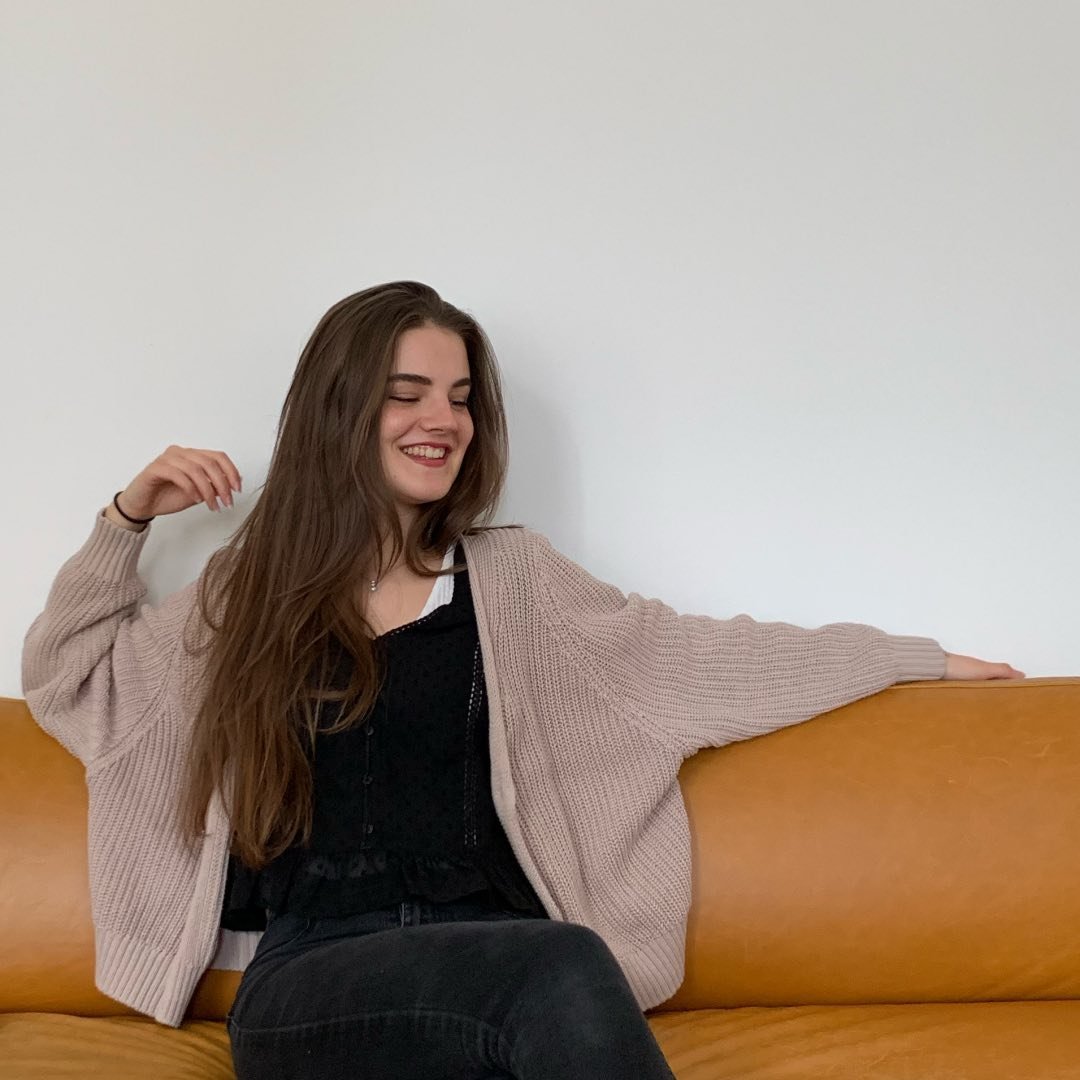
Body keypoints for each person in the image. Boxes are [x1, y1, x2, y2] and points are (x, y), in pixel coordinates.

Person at [21, 281, 1024, 1080]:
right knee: (562, 963)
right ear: (339, 409)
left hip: (502, 967)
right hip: (317, 985)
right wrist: (127, 518)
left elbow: (703, 658)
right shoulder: (247, 596)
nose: (443, 420)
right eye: (408, 393)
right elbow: (70, 679)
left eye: (460, 397)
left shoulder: (518, 586)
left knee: (546, 976)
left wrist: (916, 660)